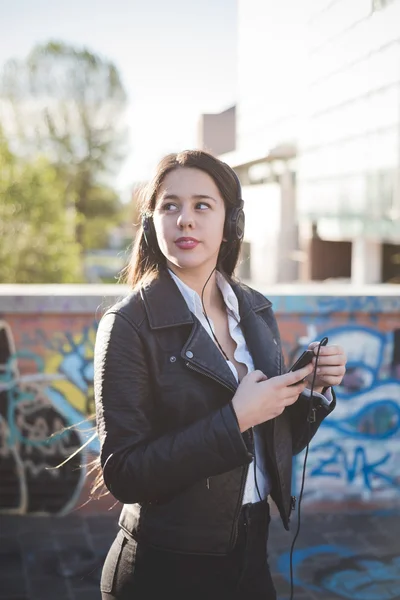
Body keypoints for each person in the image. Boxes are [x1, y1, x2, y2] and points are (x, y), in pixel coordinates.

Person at [94, 150, 347, 600]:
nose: (184, 220)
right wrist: (235, 419)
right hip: (165, 566)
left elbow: (269, 441)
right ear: (152, 221)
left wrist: (310, 390)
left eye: (201, 206)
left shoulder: (254, 309)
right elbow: (125, 473)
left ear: (231, 222)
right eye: (170, 206)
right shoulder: (128, 324)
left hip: (251, 553)